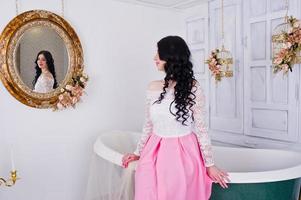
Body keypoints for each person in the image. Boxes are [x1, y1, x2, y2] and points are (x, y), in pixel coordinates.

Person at [122, 36, 230, 200]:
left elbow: (201, 128)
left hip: (183, 151)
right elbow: (148, 125)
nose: (154, 58)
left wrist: (210, 164)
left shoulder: (193, 87)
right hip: (154, 150)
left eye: (158, 53)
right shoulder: (152, 87)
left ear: (170, 57)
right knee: (147, 190)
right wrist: (138, 152)